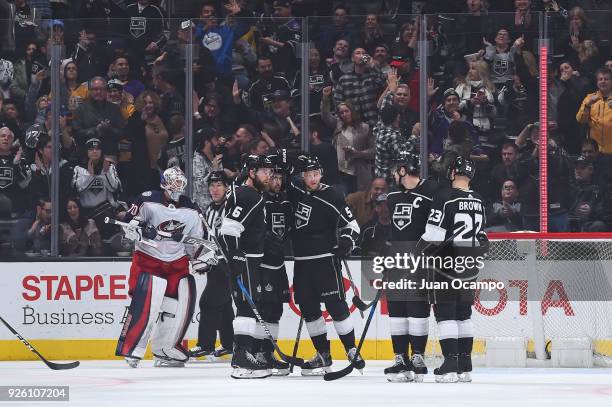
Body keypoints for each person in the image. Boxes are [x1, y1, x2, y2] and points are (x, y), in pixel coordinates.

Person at [283, 153, 363, 376]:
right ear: (303, 175)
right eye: (308, 174)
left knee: (337, 307)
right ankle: (323, 356)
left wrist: (345, 243)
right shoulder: (294, 191)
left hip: (325, 262)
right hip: (301, 263)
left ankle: (351, 349)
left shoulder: (333, 195)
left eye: (316, 174)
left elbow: (353, 226)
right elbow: (282, 180)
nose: (313, 178)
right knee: (309, 311)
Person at [420, 156, 488, 383]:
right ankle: (464, 364)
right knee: (463, 313)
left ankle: (450, 363)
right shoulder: (478, 199)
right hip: (470, 263)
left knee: (445, 312)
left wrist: (416, 254)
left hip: (447, 263)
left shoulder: (445, 197)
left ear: (452, 173)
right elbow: (483, 237)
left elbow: (433, 236)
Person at [383, 150, 439, 383]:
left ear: (403, 170)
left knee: (417, 309)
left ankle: (418, 356)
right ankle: (400, 358)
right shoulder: (392, 196)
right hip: (397, 261)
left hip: (421, 261)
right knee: (397, 311)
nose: (393, 174)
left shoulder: (432, 191)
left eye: (396, 169)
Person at [216, 155, 273, 379]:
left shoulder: (241, 192)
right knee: (246, 306)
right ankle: (242, 358)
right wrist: (237, 256)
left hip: (248, 257)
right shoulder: (251, 196)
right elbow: (229, 228)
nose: (269, 176)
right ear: (252, 172)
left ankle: (243, 355)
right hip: (247, 258)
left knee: (247, 304)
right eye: (264, 171)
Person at [189, 171, 234, 361]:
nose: (214, 189)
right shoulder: (209, 209)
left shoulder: (231, 208)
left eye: (219, 185)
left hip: (229, 264)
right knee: (223, 305)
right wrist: (204, 259)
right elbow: (208, 239)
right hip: (216, 263)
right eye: (212, 185)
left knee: (208, 302)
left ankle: (206, 345)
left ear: (227, 187)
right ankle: (229, 344)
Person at [255, 156, 293, 375]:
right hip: (262, 264)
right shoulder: (258, 200)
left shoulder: (286, 201)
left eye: (279, 177)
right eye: (272, 176)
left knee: (276, 309)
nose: (276, 181)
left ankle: (268, 352)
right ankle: (258, 352)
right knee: (263, 308)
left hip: (278, 265)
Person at [72, 138, 122, 238]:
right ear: (86, 152)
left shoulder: (109, 166)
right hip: (86, 212)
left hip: (105, 210)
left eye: (97, 149)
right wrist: (90, 176)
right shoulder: (79, 168)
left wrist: (105, 172)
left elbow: (114, 188)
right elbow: (78, 189)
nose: (95, 151)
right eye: (91, 149)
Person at [576, 67, 612, 154]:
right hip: (595, 152)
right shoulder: (589, 98)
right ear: (597, 82)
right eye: (600, 79)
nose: (603, 81)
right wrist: (588, 105)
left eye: (606, 79)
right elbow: (580, 120)